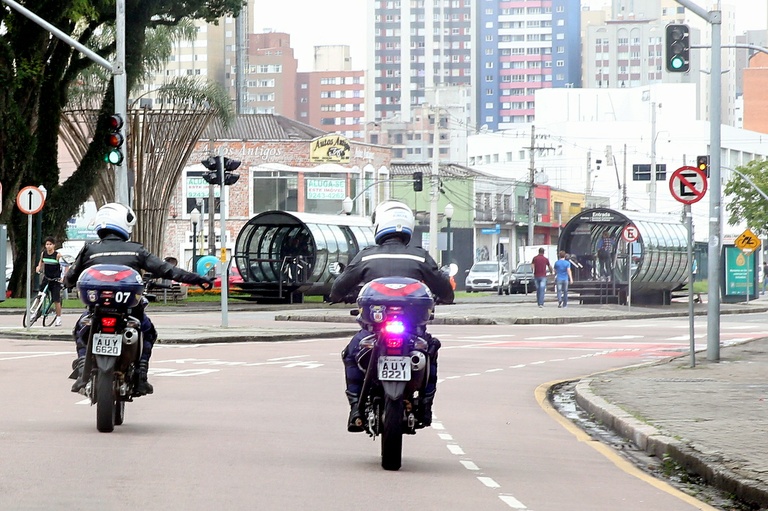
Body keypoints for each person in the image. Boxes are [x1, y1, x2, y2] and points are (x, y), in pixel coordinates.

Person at [329, 200, 454, 432]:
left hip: (374, 330)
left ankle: (356, 408)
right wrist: (445, 297)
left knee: (351, 354)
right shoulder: (419, 256)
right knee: (430, 352)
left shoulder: (366, 256)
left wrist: (336, 295)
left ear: (379, 224)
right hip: (412, 331)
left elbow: (339, 287)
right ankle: (426, 406)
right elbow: (445, 289)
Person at [63, 203, 213, 395]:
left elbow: (71, 277)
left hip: (97, 309)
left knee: (80, 329)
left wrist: (66, 283)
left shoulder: (89, 250)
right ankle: (141, 375)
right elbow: (168, 270)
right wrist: (198, 279)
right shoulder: (136, 250)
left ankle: (83, 366)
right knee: (148, 332)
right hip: (130, 310)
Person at [36, 237, 64, 326]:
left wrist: (63, 277)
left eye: (50, 244)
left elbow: (64, 265)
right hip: (46, 277)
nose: (48, 246)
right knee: (39, 295)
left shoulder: (58, 255)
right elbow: (41, 262)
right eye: (47, 244)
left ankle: (58, 318)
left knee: (56, 299)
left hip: (55, 280)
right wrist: (39, 267)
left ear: (54, 245)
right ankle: (36, 311)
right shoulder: (43, 254)